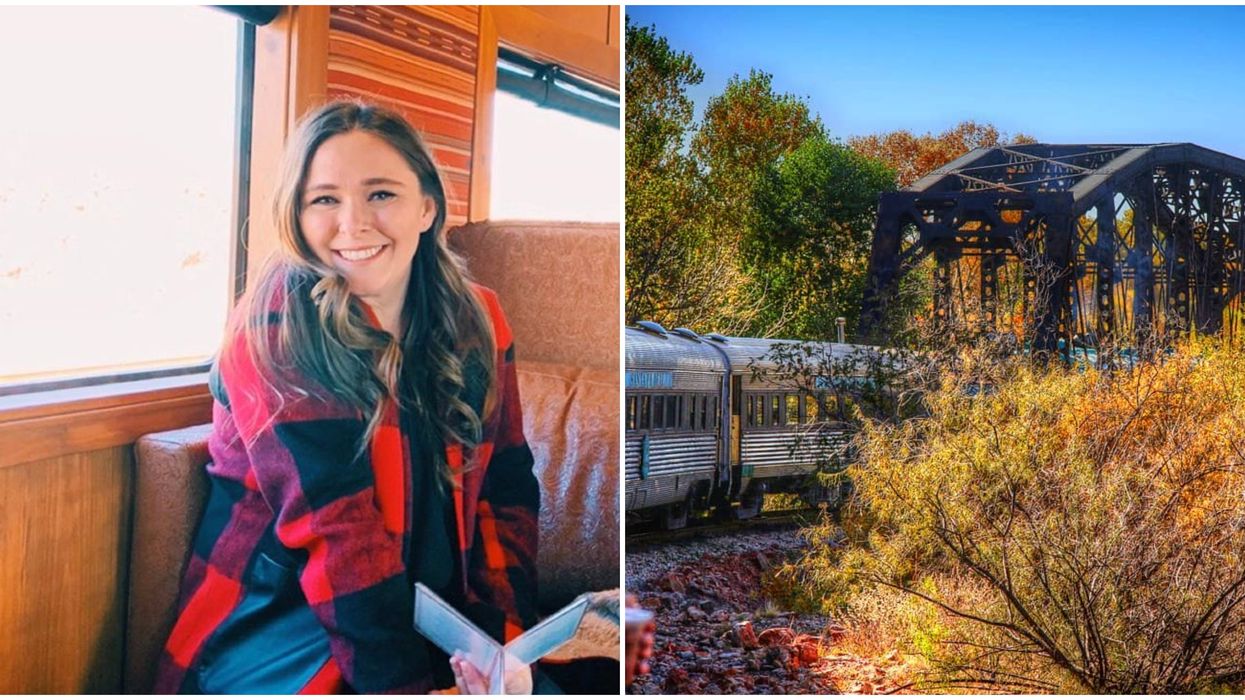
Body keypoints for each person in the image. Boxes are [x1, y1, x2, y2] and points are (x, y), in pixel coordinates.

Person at [153, 101, 540, 694]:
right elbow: (336, 532)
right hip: (281, 621)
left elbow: (505, 488)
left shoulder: (479, 319)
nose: (353, 223)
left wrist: (504, 646)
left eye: (381, 194)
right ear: (297, 215)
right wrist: (413, 689)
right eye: (324, 199)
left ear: (427, 207)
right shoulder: (276, 324)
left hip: (436, 611)